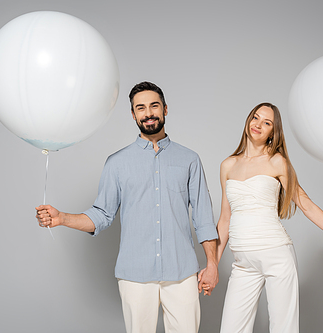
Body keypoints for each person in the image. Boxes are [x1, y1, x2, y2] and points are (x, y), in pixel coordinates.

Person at [36, 81, 219, 333]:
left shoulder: (190, 160)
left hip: (182, 272)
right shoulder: (117, 163)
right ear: (133, 115)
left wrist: (212, 265)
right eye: (140, 108)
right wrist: (62, 218)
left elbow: (204, 218)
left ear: (165, 109)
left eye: (154, 106)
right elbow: (102, 215)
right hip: (135, 273)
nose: (148, 113)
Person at [200, 102, 323, 333]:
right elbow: (225, 220)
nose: (258, 125)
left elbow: (307, 205)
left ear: (273, 133)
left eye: (267, 123)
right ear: (248, 121)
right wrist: (212, 264)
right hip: (243, 263)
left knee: (283, 329)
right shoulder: (228, 165)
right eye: (255, 118)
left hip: (276, 255)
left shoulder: (277, 162)